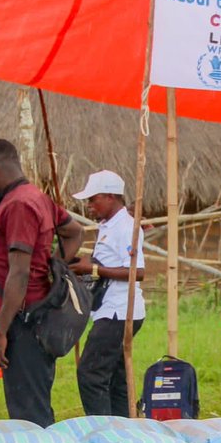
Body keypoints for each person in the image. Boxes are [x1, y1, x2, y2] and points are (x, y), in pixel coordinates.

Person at [0, 140, 83, 427]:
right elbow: (75, 233)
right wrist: (54, 267)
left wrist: (0, 332)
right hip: (37, 315)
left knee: (29, 416)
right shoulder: (37, 197)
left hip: (24, 321)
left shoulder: (19, 204)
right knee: (34, 404)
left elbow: (19, 273)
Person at [71, 170, 145, 417]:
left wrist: (93, 268)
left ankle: (102, 430)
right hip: (108, 308)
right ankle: (122, 427)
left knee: (90, 373)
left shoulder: (127, 227)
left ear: (111, 196)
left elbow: (138, 270)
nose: (89, 206)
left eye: (94, 199)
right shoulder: (107, 226)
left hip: (120, 311)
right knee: (114, 375)